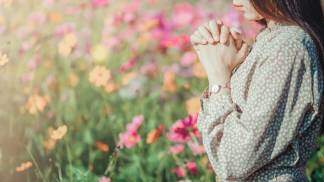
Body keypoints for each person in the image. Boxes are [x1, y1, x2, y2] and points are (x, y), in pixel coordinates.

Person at [190, 0, 324, 181]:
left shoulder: (288, 47)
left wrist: (218, 76)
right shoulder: (273, 40)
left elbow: (233, 163)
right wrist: (230, 64)